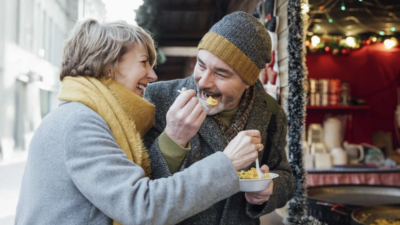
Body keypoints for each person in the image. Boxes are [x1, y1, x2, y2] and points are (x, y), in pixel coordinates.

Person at [15, 19, 265, 225]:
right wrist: (226, 164)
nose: (153, 75)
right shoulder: (80, 123)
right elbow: (141, 206)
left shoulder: (90, 115)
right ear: (109, 63)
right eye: (144, 62)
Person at [143, 11, 295, 224]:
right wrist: (172, 140)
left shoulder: (270, 112)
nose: (203, 82)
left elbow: (286, 177)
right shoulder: (157, 99)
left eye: (221, 73)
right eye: (201, 65)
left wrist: (269, 191)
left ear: (247, 81)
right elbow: (139, 194)